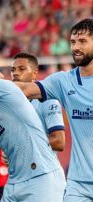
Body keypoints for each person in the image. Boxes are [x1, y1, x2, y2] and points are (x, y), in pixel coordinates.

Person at [16, 18, 93, 202]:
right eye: (73, 42)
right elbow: (26, 89)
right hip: (78, 184)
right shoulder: (63, 81)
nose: (75, 47)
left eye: (83, 41)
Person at [0, 69, 66, 200]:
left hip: (41, 177)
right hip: (14, 180)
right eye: (13, 69)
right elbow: (0, 140)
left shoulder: (1, 87)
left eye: (21, 68)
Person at [11, 52, 66, 153]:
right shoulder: (12, 103)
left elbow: (59, 142)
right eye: (13, 70)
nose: (15, 73)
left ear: (35, 73)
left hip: (45, 168)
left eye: (21, 69)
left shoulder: (48, 100)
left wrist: (20, 149)